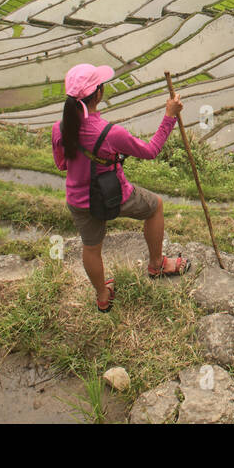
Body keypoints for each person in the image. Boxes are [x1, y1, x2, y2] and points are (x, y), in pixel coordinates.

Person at [52, 63, 188, 312]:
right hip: (113, 195)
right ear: (99, 93)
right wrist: (169, 116)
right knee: (155, 206)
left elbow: (61, 164)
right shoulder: (110, 133)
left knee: (91, 247)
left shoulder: (59, 129)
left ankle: (103, 296)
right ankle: (156, 264)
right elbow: (150, 151)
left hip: (79, 201)